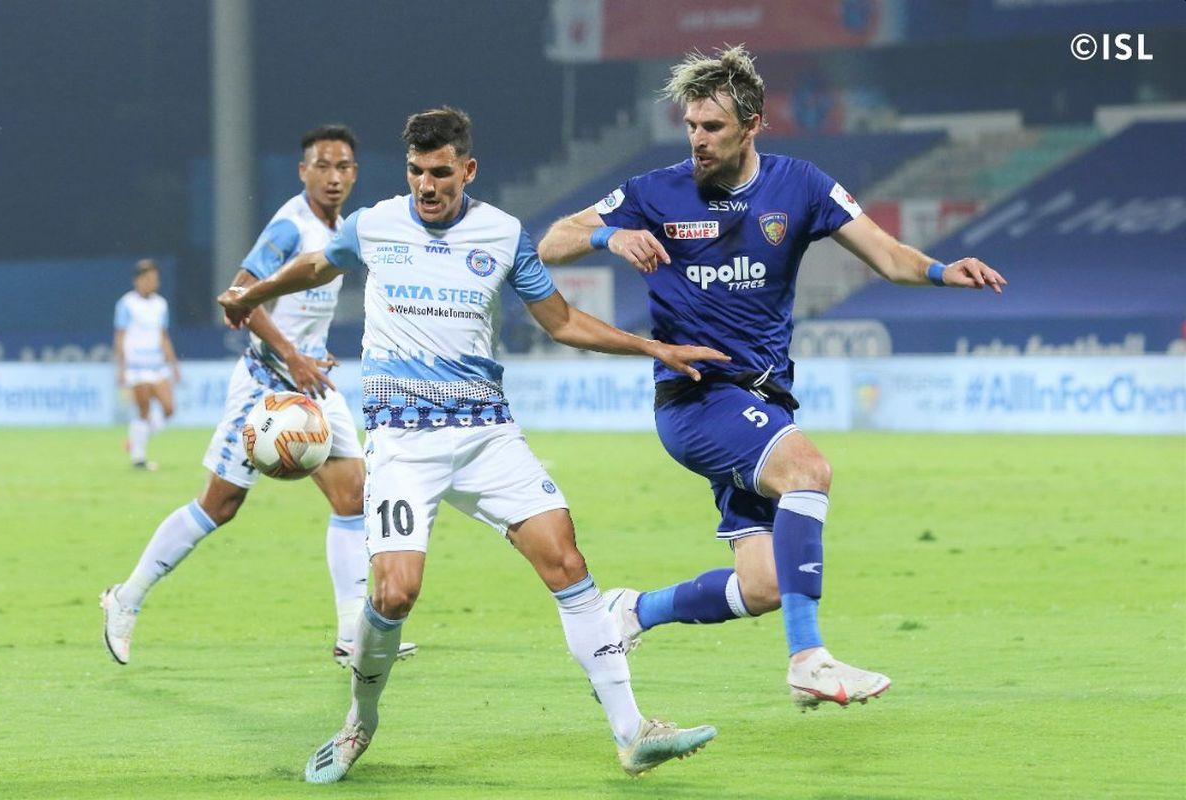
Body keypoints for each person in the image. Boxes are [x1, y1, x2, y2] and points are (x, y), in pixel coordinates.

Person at [219, 107, 726, 783]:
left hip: (487, 435)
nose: (426, 186)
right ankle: (358, 723)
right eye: (415, 172)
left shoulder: (505, 235)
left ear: (468, 169)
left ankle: (632, 731)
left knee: (565, 560)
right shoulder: (377, 224)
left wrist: (654, 347)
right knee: (395, 594)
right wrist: (254, 292)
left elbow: (563, 320)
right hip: (402, 440)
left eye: (439, 173)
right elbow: (315, 265)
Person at [538, 46, 1007, 711]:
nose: (697, 141)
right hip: (695, 398)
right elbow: (552, 239)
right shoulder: (654, 193)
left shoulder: (802, 186)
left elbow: (889, 255)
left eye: (713, 128)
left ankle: (631, 612)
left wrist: (940, 271)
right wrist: (607, 237)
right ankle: (809, 656)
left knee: (761, 585)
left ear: (752, 124)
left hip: (763, 399)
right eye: (692, 127)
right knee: (808, 471)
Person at [101, 125, 416, 667]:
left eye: (344, 167)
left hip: (313, 387)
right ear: (304, 172)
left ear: (355, 174)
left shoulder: (340, 228)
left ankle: (350, 636)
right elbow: (239, 294)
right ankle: (125, 599)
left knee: (353, 495)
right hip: (266, 386)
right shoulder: (290, 227)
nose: (334, 176)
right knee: (219, 506)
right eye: (323, 165)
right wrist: (292, 354)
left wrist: (309, 355)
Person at [114, 259, 179, 470]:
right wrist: (121, 368)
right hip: (136, 367)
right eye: (149, 279)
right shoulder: (126, 304)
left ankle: (135, 441)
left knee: (169, 408)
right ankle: (138, 458)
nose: (153, 283)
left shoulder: (161, 304)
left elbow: (164, 336)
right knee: (143, 411)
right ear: (138, 281)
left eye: (155, 279)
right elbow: (120, 337)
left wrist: (174, 364)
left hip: (157, 365)